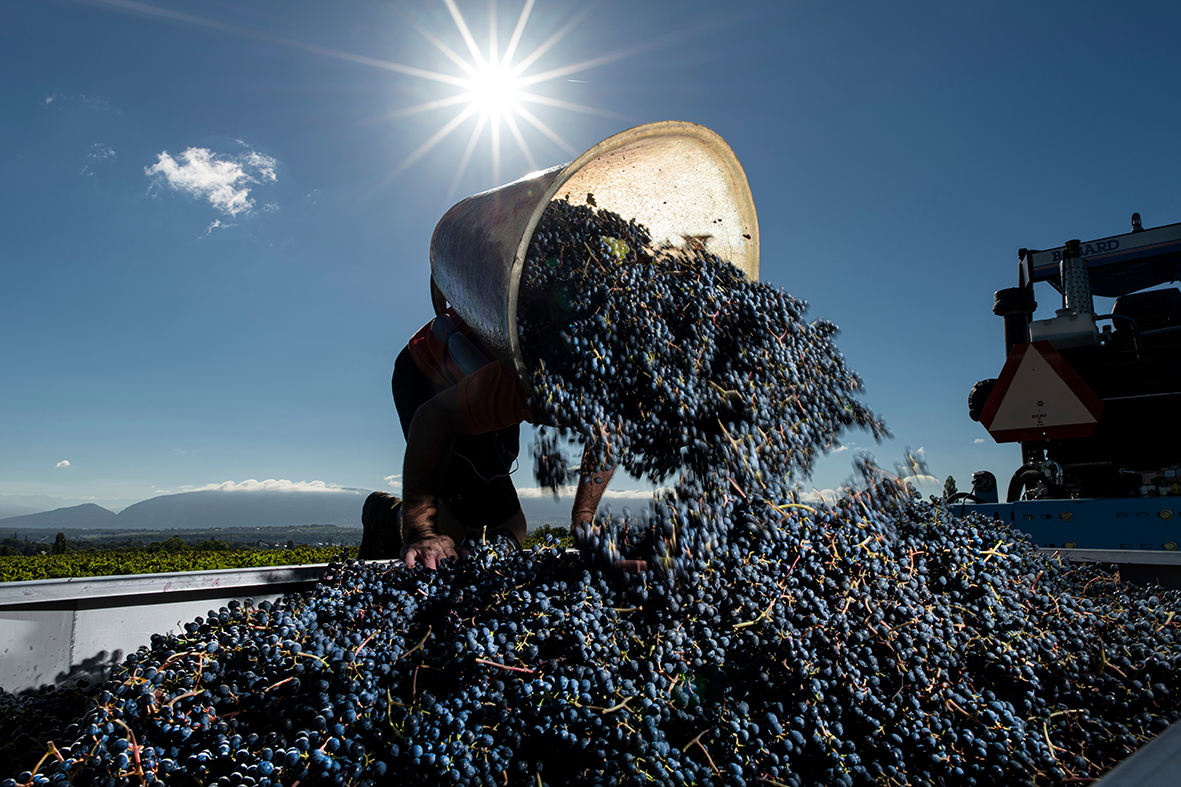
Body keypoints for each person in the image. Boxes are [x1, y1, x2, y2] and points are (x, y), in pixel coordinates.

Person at [360, 306, 615, 568]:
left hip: (483, 373)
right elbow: (432, 420)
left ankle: (433, 517)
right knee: (502, 530)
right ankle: (387, 518)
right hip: (432, 375)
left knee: (486, 493)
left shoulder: (615, 402)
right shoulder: (540, 382)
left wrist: (583, 517)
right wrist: (419, 532)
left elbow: (608, 439)